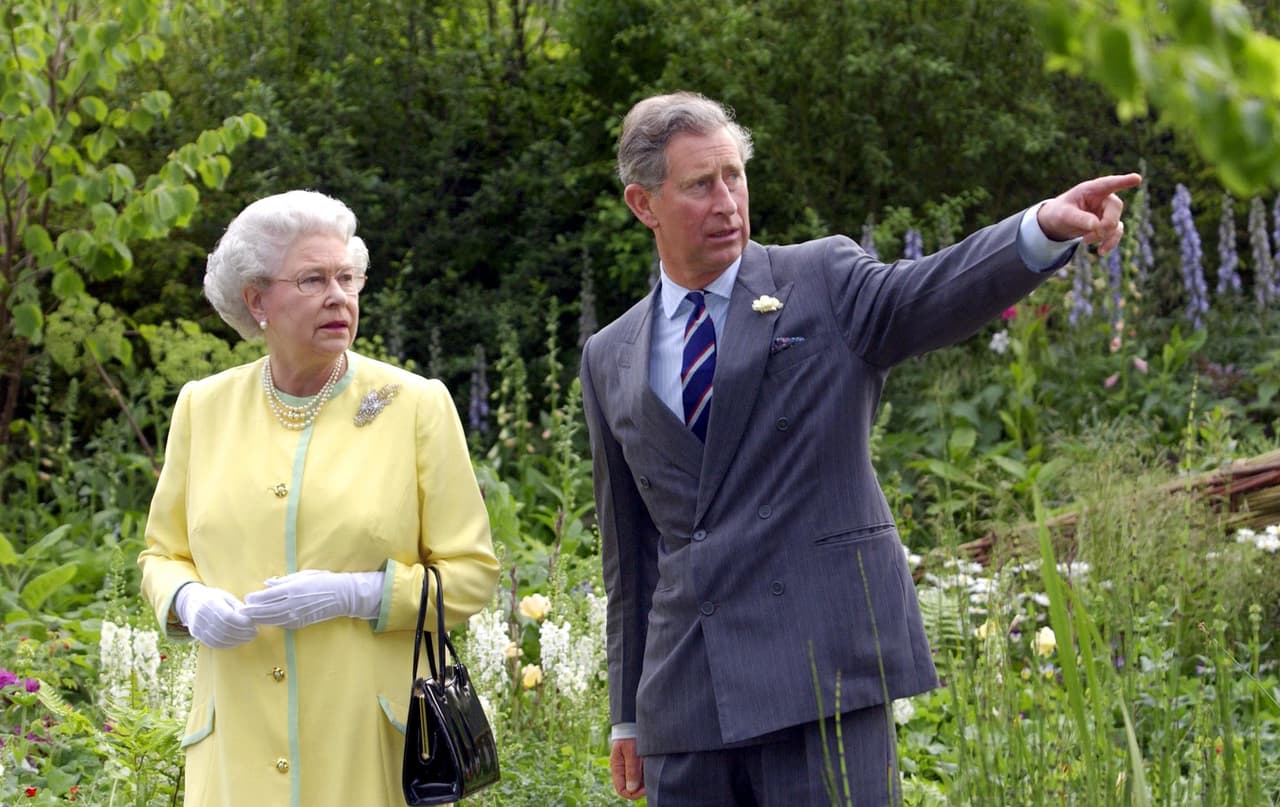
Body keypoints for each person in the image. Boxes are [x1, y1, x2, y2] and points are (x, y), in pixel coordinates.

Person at [579, 91, 1140, 806]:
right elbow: (629, 559)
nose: (727, 201)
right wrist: (627, 711)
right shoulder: (609, 355)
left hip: (821, 678)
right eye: (699, 184)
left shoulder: (821, 281)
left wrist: (1038, 232)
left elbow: (929, 292)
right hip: (689, 701)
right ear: (643, 203)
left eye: (735, 176)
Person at [138, 190, 499, 807]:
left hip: (368, 750)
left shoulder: (415, 404)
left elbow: (472, 577)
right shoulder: (203, 406)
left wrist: (355, 594)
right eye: (312, 279)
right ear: (257, 301)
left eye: (347, 277)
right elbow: (161, 554)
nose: (339, 296)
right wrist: (188, 600)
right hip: (234, 751)